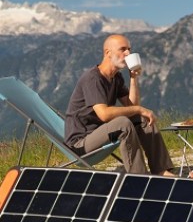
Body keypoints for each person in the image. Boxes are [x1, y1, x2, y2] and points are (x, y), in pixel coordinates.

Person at [64, 34, 175, 176]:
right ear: (107, 53)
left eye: (129, 49)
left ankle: (161, 170)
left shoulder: (116, 78)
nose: (128, 53)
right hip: (80, 144)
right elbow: (104, 114)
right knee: (123, 123)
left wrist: (133, 78)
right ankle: (140, 177)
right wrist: (139, 109)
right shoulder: (93, 78)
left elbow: (133, 108)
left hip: (101, 134)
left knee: (143, 119)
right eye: (123, 49)